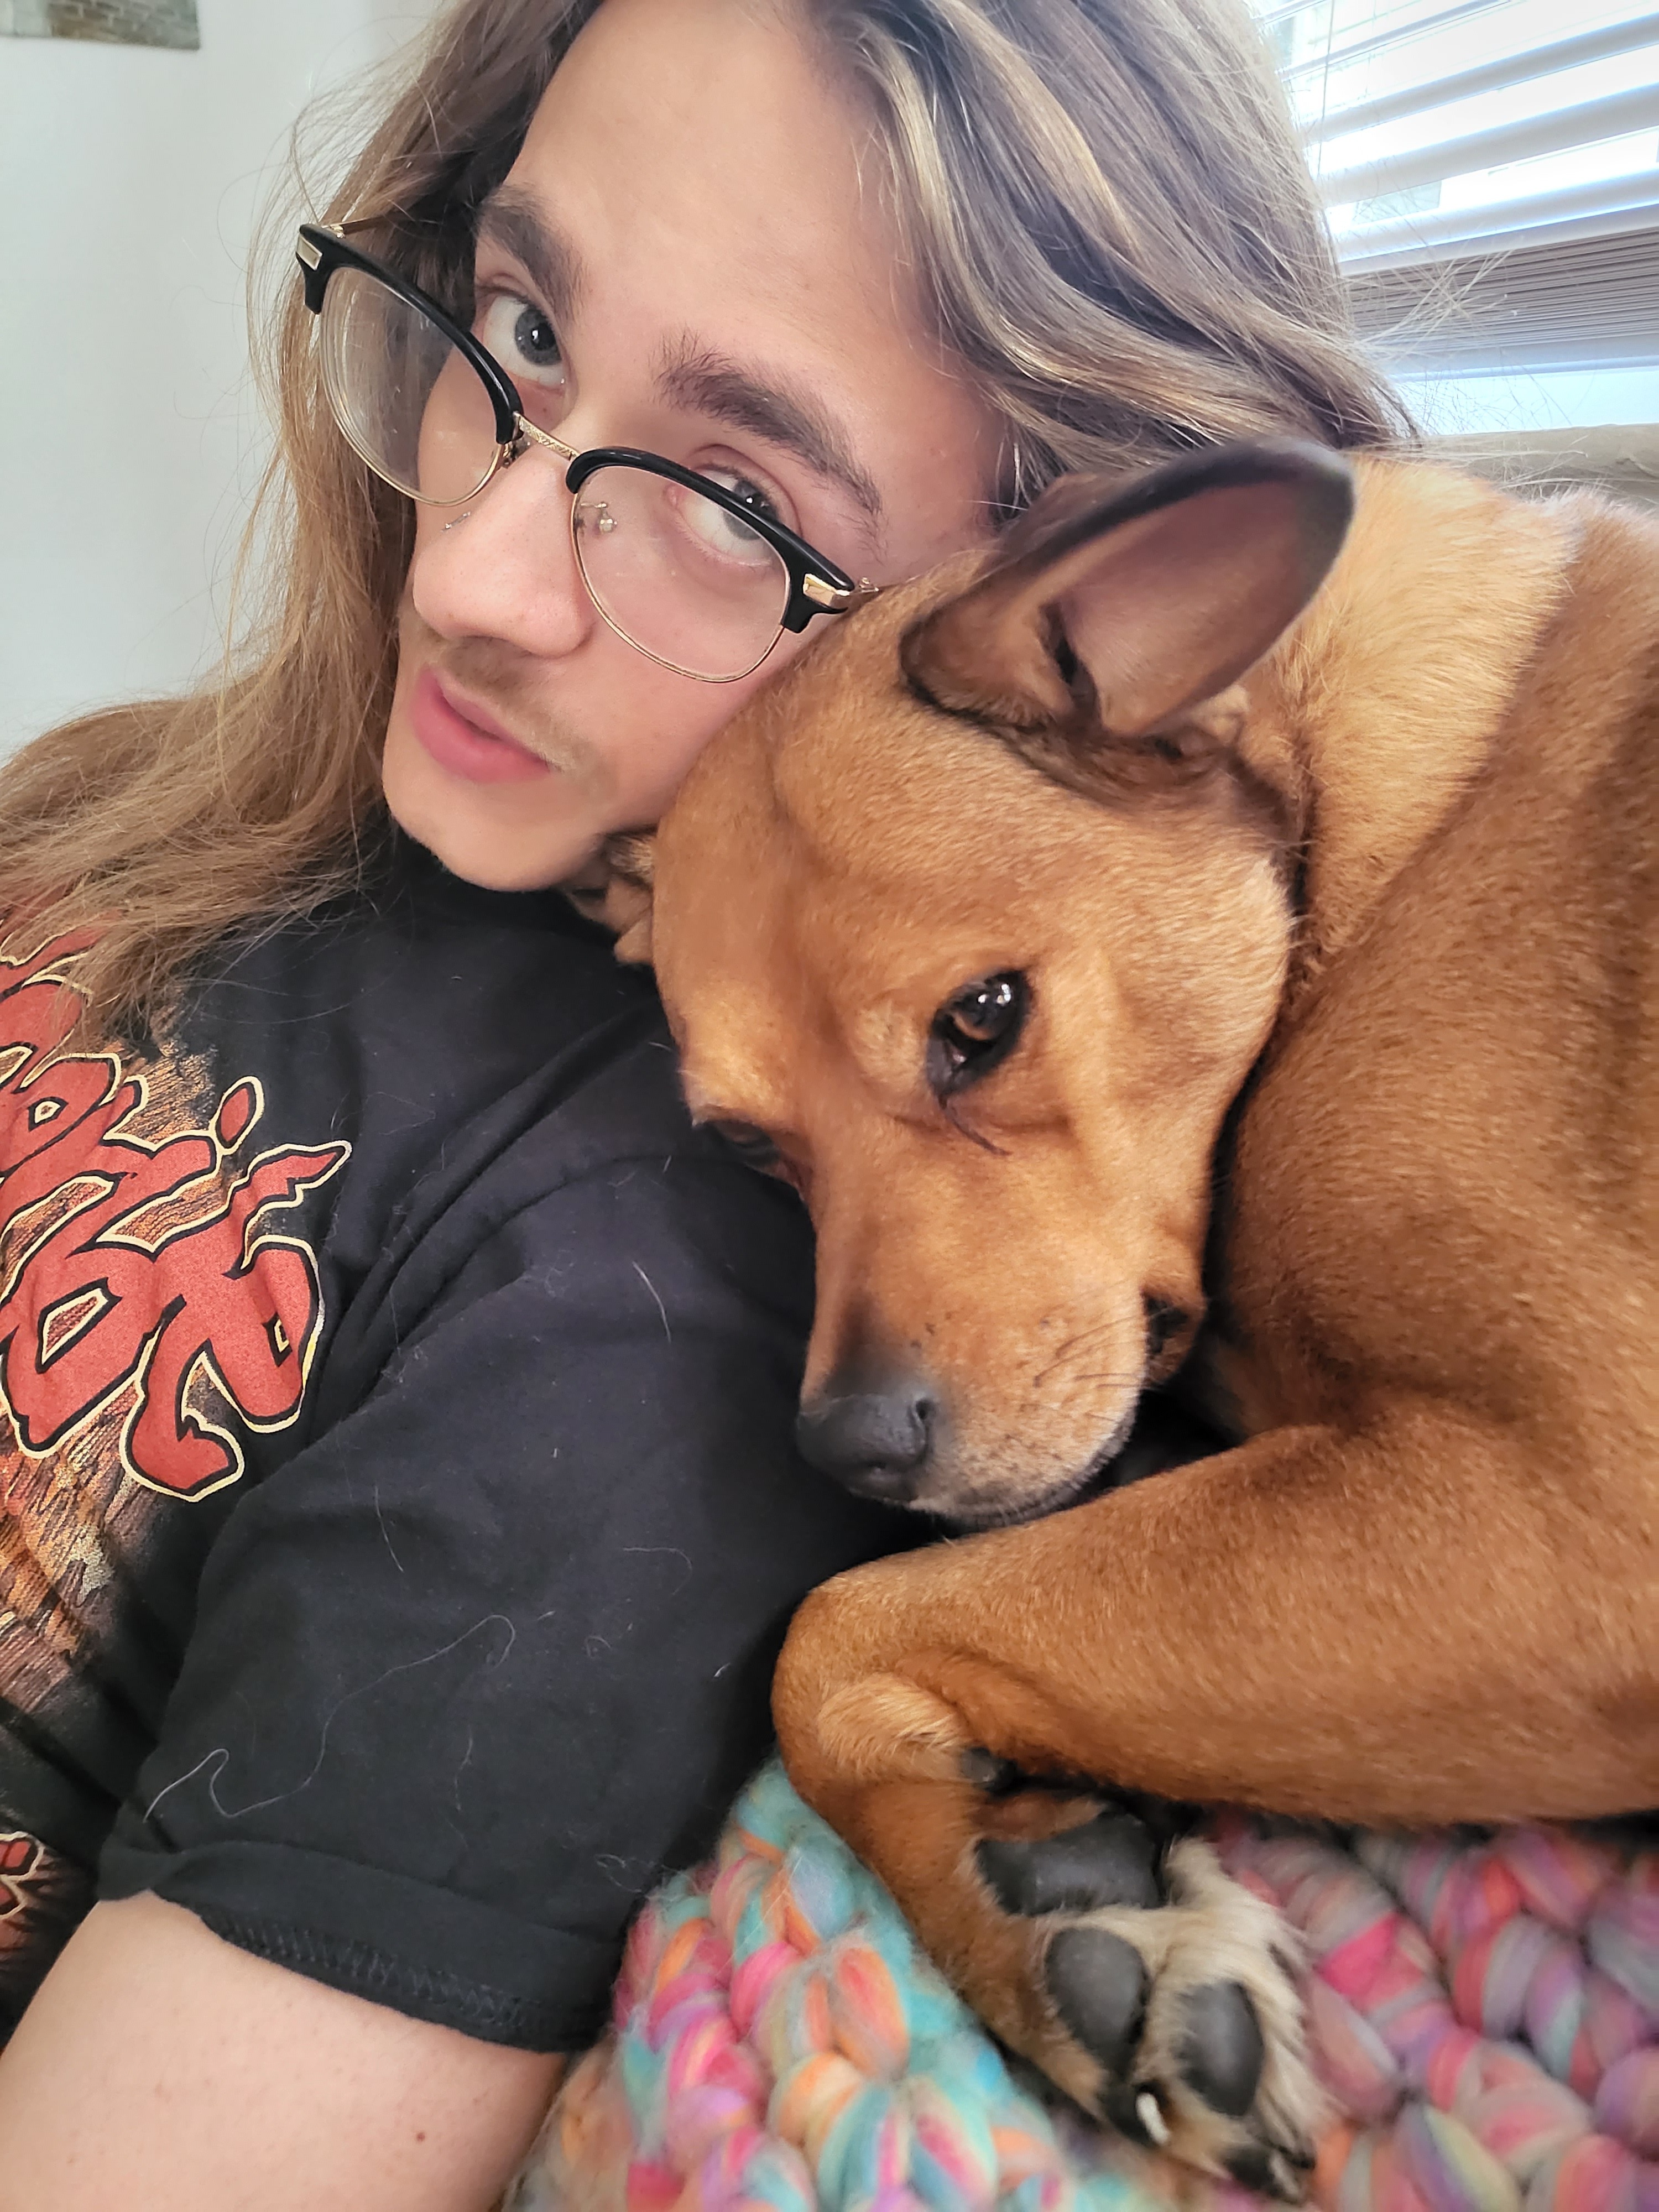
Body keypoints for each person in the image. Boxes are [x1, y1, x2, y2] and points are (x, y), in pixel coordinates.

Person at [0, 0, 1407, 2203]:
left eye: (735, 502)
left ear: (1111, 635)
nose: (468, 575)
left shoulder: (647, 1310)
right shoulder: (146, 790)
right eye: (522, 327)